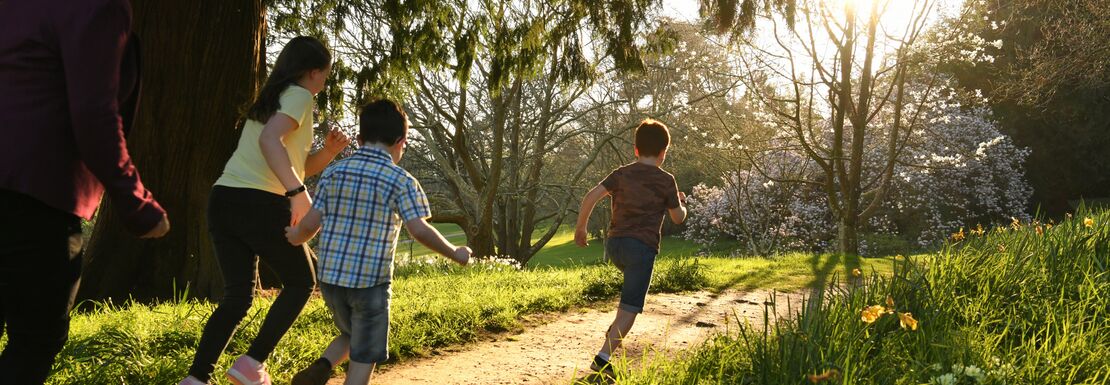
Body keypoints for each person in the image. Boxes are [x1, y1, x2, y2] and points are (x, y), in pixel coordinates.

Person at [0, 0, 171, 383]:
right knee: (36, 338)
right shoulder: (97, 6)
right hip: (34, 194)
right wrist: (137, 204)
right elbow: (94, 114)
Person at [178, 36, 351, 385]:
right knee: (301, 282)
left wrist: (328, 153)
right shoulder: (300, 96)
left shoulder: (273, 97)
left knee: (238, 296)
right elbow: (269, 141)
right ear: (313, 72)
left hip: (224, 200)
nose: (325, 82)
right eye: (325, 74)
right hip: (257, 202)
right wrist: (297, 194)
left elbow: (293, 164)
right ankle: (251, 363)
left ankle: (196, 379)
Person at [285, 99, 471, 385]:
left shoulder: (334, 173)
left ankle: (321, 367)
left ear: (359, 140)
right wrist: (454, 252)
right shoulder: (402, 181)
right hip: (369, 284)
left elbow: (311, 224)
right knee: (365, 351)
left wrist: (295, 236)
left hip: (331, 281)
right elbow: (419, 231)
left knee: (352, 333)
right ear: (400, 142)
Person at [573, 118, 687, 376]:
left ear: (636, 149)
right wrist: (681, 203)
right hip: (641, 249)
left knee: (627, 301)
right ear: (664, 152)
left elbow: (591, 196)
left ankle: (613, 333)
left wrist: (581, 228)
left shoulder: (621, 174)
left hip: (615, 244)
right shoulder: (666, 180)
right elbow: (678, 218)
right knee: (631, 306)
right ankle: (602, 358)